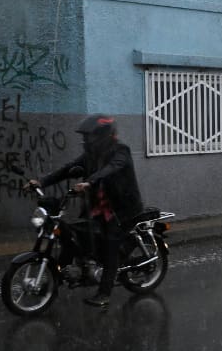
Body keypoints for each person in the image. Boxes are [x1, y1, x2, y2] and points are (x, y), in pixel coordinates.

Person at [29, 115, 143, 308]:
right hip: (98, 208)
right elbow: (67, 169)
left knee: (110, 247)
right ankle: (56, 280)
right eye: (85, 137)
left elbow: (111, 168)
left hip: (121, 210)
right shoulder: (90, 155)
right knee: (72, 239)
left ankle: (104, 292)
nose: (86, 140)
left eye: (89, 136)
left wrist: (90, 181)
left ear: (103, 135)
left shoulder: (120, 151)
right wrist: (42, 181)